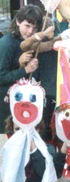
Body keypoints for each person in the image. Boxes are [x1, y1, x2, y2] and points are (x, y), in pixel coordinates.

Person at [0, 4, 42, 133]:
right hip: (7, 104)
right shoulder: (6, 44)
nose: (30, 32)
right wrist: (25, 70)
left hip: (24, 101)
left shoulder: (31, 42)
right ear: (18, 21)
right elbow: (1, 77)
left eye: (34, 28)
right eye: (27, 26)